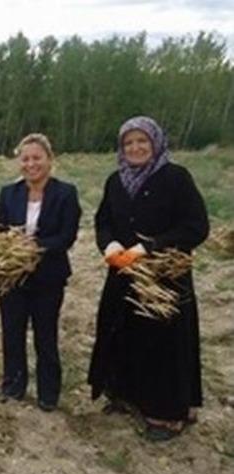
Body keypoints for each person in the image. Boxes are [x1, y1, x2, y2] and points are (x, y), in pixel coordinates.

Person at [88, 116, 209, 441]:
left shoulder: (176, 178)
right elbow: (103, 221)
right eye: (128, 143)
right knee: (124, 333)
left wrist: (150, 247)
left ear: (155, 143)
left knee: (162, 343)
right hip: (123, 273)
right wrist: (109, 244)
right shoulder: (116, 181)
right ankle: (127, 396)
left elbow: (197, 227)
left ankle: (168, 414)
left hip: (163, 280)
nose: (135, 148)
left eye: (142, 141)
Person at [0, 133, 81, 412]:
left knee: (45, 335)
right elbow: (0, 232)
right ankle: (14, 386)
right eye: (25, 159)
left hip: (48, 277)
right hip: (11, 277)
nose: (31, 164)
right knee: (12, 333)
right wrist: (6, 250)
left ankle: (48, 394)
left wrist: (32, 249)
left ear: (49, 160)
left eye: (37, 158)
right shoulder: (9, 193)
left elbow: (66, 237)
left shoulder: (66, 193)